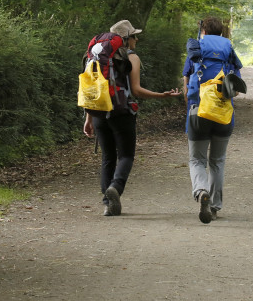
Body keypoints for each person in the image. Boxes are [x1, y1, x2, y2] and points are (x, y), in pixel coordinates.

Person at [83, 19, 181, 216]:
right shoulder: (131, 57)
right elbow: (136, 90)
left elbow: (91, 88)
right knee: (126, 155)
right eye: (134, 36)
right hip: (122, 111)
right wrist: (162, 95)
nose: (137, 40)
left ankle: (107, 203)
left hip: (99, 111)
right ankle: (115, 188)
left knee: (108, 157)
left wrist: (88, 118)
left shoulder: (95, 56)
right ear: (126, 39)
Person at [182, 17, 243, 224]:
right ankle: (215, 207)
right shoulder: (229, 53)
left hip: (197, 112)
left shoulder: (195, 50)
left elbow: (185, 86)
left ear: (204, 31)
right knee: (217, 161)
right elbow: (237, 87)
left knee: (196, 159)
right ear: (222, 34)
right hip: (224, 114)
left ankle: (201, 191)